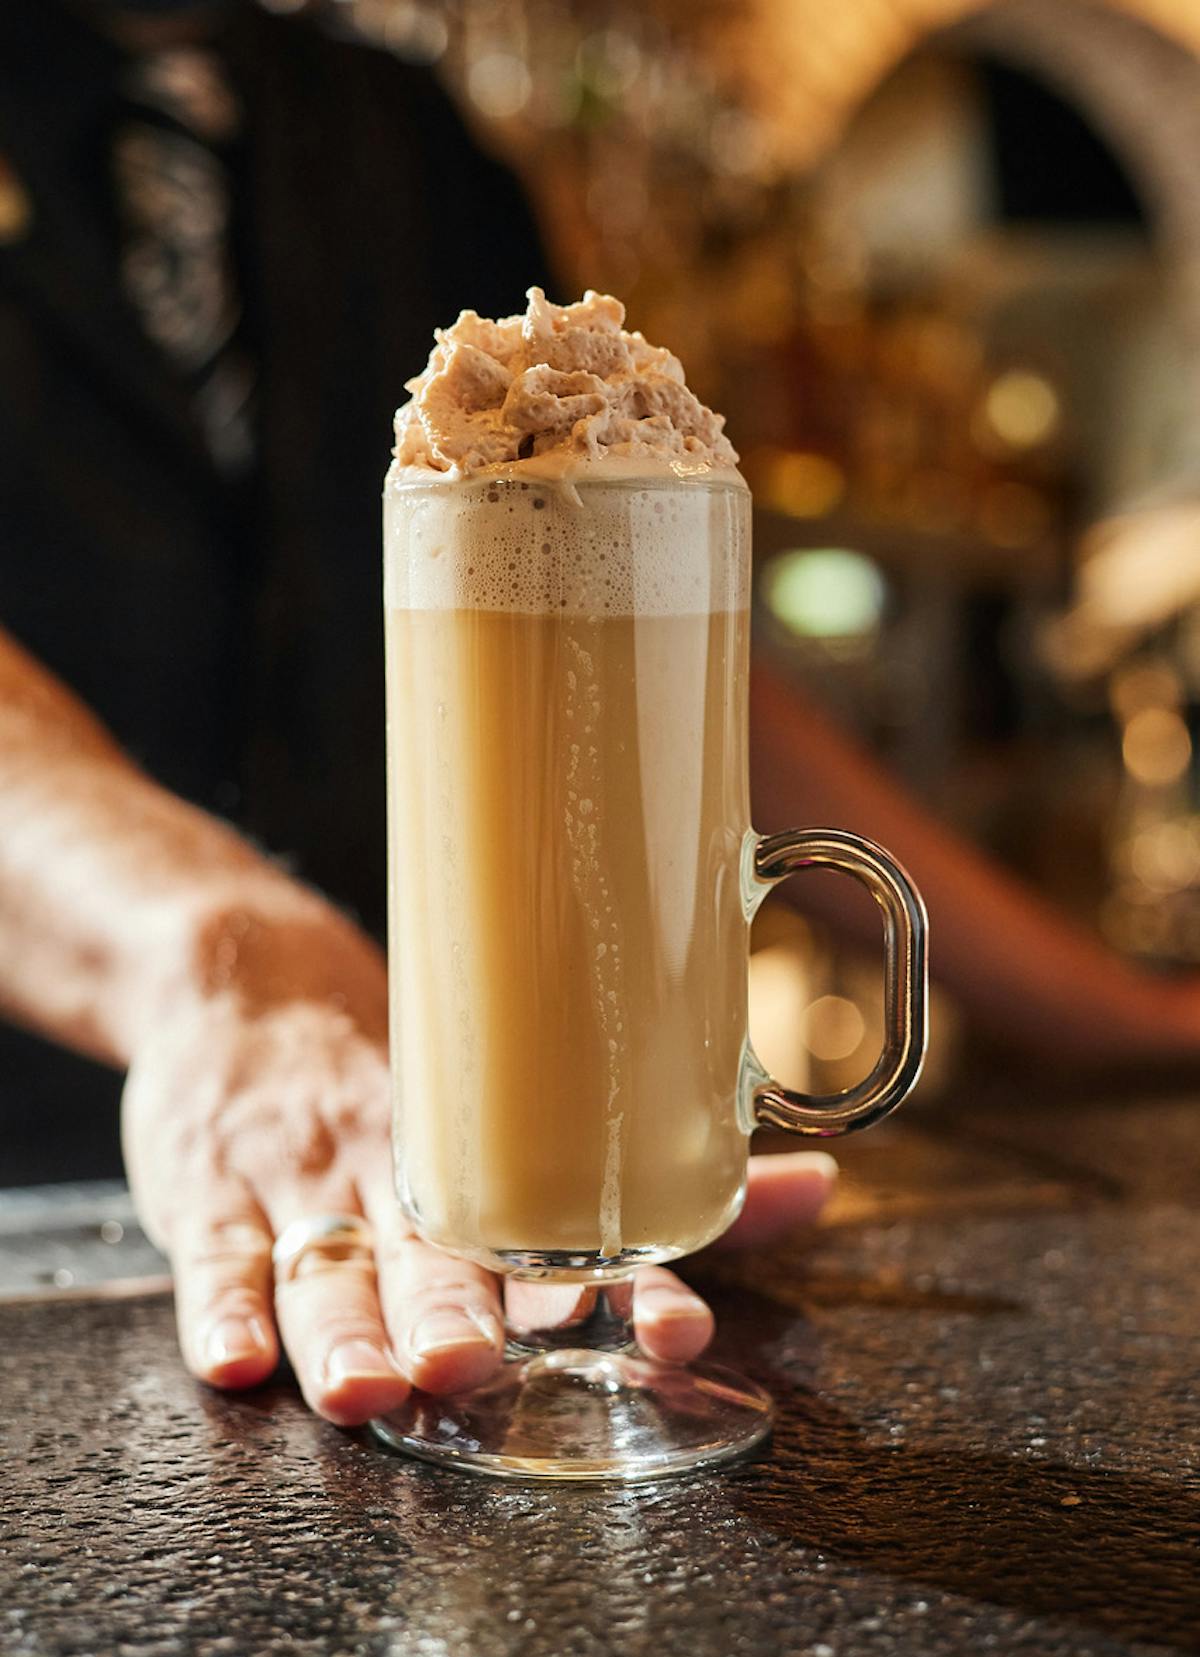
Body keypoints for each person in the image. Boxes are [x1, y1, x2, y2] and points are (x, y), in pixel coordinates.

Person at [2, 0, 1198, 1429]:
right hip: (88, 1182)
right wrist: (210, 962)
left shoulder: (405, 130)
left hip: (458, 1164)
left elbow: (667, 674)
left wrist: (1120, 1019)